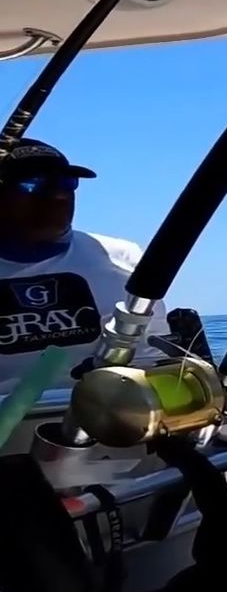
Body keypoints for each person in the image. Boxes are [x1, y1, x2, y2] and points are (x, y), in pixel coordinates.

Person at [0, 138, 171, 403]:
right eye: (35, 183)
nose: (59, 195)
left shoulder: (122, 257)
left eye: (67, 183)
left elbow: (151, 359)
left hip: (108, 417)